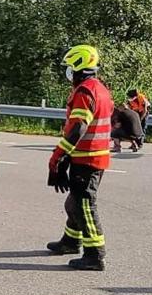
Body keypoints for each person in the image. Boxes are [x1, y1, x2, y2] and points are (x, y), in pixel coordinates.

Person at [46, 44, 113, 271]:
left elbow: (78, 128)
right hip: (92, 155)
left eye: (69, 67)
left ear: (78, 66)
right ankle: (70, 241)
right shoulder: (99, 88)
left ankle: (95, 255)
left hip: (87, 158)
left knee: (84, 205)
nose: (67, 72)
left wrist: (58, 156)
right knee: (74, 202)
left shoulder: (85, 91)